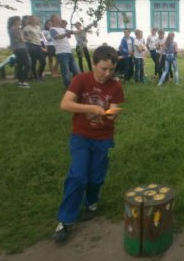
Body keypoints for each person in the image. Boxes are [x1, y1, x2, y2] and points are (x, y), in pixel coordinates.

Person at [53, 45, 124, 243]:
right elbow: (65, 104)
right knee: (78, 176)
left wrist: (111, 115)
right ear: (94, 64)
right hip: (81, 136)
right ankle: (65, 221)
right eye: (103, 69)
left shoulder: (116, 86)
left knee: (96, 178)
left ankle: (91, 203)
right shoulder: (81, 79)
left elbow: (114, 109)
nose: (107, 74)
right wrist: (90, 107)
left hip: (104, 139)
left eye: (111, 70)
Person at [50, 15, 80, 89]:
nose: (60, 19)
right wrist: (67, 33)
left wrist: (83, 29)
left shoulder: (63, 29)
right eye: (58, 18)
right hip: (61, 53)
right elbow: (57, 37)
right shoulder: (52, 29)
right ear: (53, 20)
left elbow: (73, 32)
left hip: (69, 52)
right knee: (66, 72)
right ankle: (68, 88)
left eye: (60, 18)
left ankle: (78, 86)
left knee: (76, 71)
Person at [8, 16, 31, 88]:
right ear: (15, 21)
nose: (21, 21)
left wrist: (24, 39)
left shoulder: (19, 29)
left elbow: (24, 38)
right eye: (19, 20)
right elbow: (21, 39)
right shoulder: (13, 29)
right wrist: (24, 39)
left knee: (20, 65)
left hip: (22, 48)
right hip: (19, 49)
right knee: (27, 65)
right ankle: (22, 81)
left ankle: (20, 82)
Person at [23, 15, 46, 82]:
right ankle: (36, 78)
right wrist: (27, 39)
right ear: (30, 20)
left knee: (43, 62)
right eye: (33, 19)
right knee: (34, 62)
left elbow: (40, 36)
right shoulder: (27, 28)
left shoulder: (38, 27)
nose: (34, 20)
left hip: (38, 45)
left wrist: (43, 43)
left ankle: (39, 75)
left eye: (35, 19)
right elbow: (22, 35)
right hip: (31, 45)